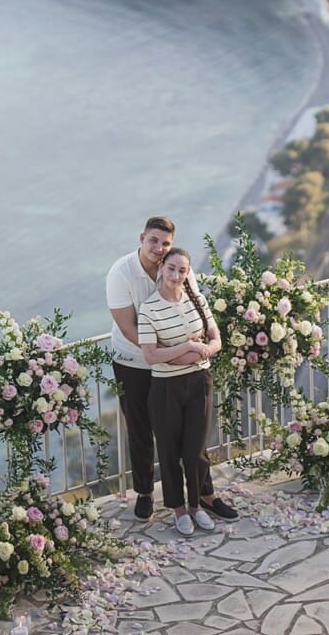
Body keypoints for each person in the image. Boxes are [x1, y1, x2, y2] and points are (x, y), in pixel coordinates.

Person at [106, 218, 239, 524]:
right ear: (141, 238)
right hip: (134, 361)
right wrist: (173, 356)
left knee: (192, 435)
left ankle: (204, 494)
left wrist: (191, 352)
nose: (159, 248)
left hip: (179, 364)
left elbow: (195, 309)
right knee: (141, 429)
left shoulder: (177, 267)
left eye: (165, 243)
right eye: (153, 241)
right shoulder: (121, 273)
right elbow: (129, 329)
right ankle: (144, 493)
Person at [137, 247, 223, 535]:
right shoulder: (149, 309)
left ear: (188, 273)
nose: (176, 275)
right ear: (162, 267)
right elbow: (151, 356)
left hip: (200, 382)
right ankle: (179, 509)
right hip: (166, 388)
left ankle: (197, 506)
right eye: (171, 268)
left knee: (195, 450)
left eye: (182, 270)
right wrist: (189, 347)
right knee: (169, 451)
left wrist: (202, 351)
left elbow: (216, 339)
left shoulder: (197, 300)